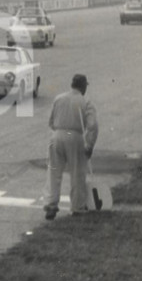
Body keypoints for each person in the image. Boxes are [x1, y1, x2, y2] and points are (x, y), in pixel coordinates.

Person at [44, 73, 99, 220]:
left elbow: (50, 121)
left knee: (54, 172)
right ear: (83, 86)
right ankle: (77, 206)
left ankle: (51, 204)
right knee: (77, 173)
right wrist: (90, 144)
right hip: (75, 137)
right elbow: (92, 125)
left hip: (57, 135)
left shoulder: (59, 98)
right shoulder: (85, 101)